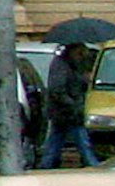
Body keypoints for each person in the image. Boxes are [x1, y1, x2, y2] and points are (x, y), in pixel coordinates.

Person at [39, 41, 96, 169]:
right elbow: (57, 90)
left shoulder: (72, 65)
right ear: (73, 51)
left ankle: (46, 164)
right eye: (80, 52)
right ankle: (92, 164)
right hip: (66, 111)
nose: (82, 56)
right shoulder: (61, 65)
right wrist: (73, 104)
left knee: (56, 139)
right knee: (81, 140)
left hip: (66, 110)